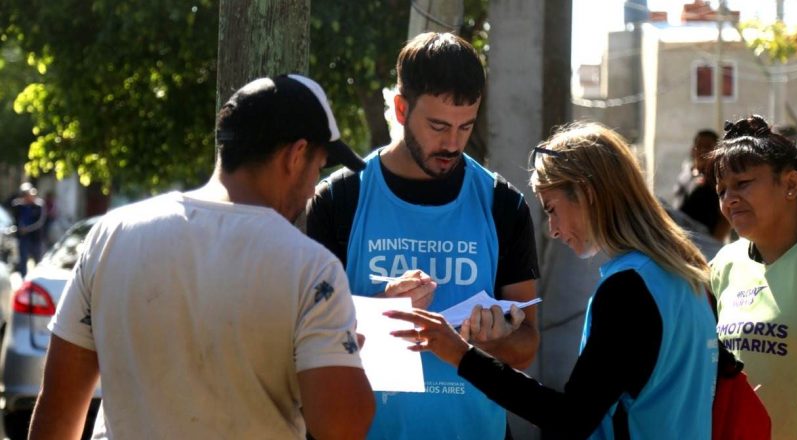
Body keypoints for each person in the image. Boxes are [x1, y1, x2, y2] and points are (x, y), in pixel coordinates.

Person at [29, 74, 375, 439]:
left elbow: (57, 407)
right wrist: (343, 358)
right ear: (296, 154)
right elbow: (342, 426)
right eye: (318, 168)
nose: (311, 189)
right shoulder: (312, 270)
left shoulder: (111, 234)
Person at [386, 122, 718, 439]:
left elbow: (570, 418)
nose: (553, 230)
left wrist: (462, 355)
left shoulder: (627, 291)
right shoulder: (690, 276)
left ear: (587, 193)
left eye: (551, 209)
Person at [305, 32, 540, 439]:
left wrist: (494, 341)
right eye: (438, 126)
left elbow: (527, 346)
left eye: (466, 127)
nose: (452, 143)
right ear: (400, 108)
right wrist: (378, 310)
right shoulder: (339, 199)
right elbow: (306, 341)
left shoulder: (503, 204)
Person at [708, 115, 797, 439]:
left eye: (743, 184)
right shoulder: (724, 264)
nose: (729, 199)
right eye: (722, 190)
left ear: (791, 185)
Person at [674, 130, 731, 242]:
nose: (703, 151)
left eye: (708, 147)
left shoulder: (720, 180)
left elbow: (725, 219)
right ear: (693, 150)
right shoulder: (685, 176)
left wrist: (714, 244)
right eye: (700, 146)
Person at [10, 182, 46, 277]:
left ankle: (38, 278)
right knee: (23, 260)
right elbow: (14, 210)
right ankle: (24, 279)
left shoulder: (39, 206)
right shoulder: (19, 206)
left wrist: (27, 229)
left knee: (37, 260)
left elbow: (40, 222)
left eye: (28, 195)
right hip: (23, 238)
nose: (27, 197)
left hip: (35, 238)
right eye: (25, 195)